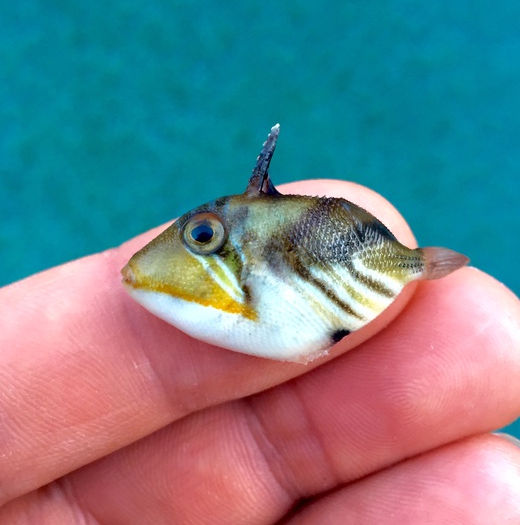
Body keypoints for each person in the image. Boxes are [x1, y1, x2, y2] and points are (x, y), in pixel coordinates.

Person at [0, 180, 519, 523]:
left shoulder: (255, 254)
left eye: (203, 236)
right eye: (201, 234)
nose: (199, 239)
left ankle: (411, 263)